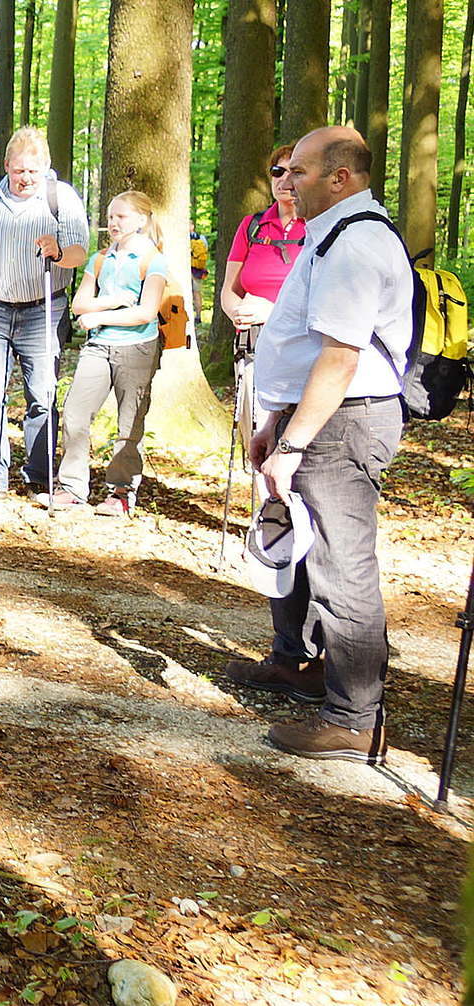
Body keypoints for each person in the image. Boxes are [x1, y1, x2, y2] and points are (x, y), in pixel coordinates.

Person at [236, 125, 411, 764]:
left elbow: (340, 357)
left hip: (345, 423)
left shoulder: (356, 243)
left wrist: (293, 444)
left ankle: (355, 719)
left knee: (342, 567)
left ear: (340, 177)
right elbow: (308, 346)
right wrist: (276, 423)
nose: (287, 181)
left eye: (301, 171)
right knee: (305, 555)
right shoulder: (330, 234)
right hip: (316, 419)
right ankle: (302, 666)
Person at [0, 126, 91, 500]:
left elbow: (80, 252)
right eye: (19, 170)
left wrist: (58, 251)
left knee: (42, 396)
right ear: (7, 165)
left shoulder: (61, 197)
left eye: (33, 170)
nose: (25, 178)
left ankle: (39, 476)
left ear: (45, 167)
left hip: (44, 310)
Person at [44, 191, 168, 516]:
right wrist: (113, 302)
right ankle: (72, 487)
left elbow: (146, 312)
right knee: (75, 413)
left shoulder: (153, 259)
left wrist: (99, 317)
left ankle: (121, 493)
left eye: (121, 217)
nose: (113, 223)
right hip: (98, 346)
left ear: (141, 220)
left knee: (129, 423)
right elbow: (79, 304)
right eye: (111, 217)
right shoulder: (101, 258)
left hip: (138, 348)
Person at [220, 145, 306, 512]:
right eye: (276, 172)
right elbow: (229, 289)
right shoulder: (253, 226)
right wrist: (236, 312)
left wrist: (272, 313)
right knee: (257, 431)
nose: (284, 180)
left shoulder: (318, 226)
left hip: (301, 351)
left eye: (294, 172)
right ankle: (267, 517)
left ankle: (296, 516)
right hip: (253, 347)